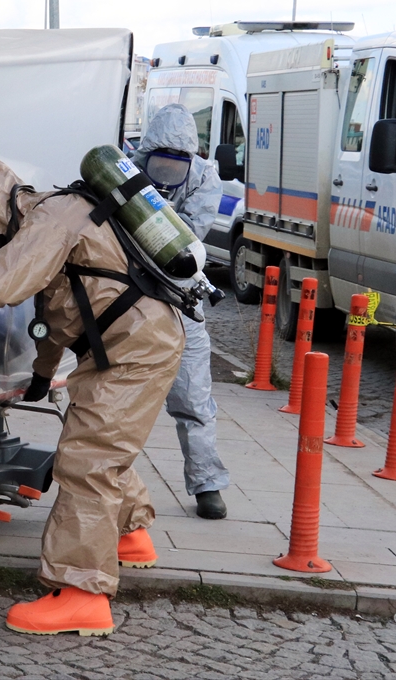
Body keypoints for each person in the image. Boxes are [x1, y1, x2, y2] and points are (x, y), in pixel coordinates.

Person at [0, 154, 184, 637]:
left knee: (87, 460)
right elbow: (58, 313)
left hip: (134, 350)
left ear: (0, 210)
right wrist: (42, 373)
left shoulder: (50, 218)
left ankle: (82, 593)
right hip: (130, 344)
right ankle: (131, 537)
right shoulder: (53, 217)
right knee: (99, 439)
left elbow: (1, 286)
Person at [134, 104, 230, 519]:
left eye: (177, 161)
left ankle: (207, 483)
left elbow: (188, 234)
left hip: (181, 294)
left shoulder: (205, 177)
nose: (168, 168)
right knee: (117, 395)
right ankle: (106, 478)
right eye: (162, 160)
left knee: (192, 394)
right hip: (130, 292)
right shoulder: (127, 171)